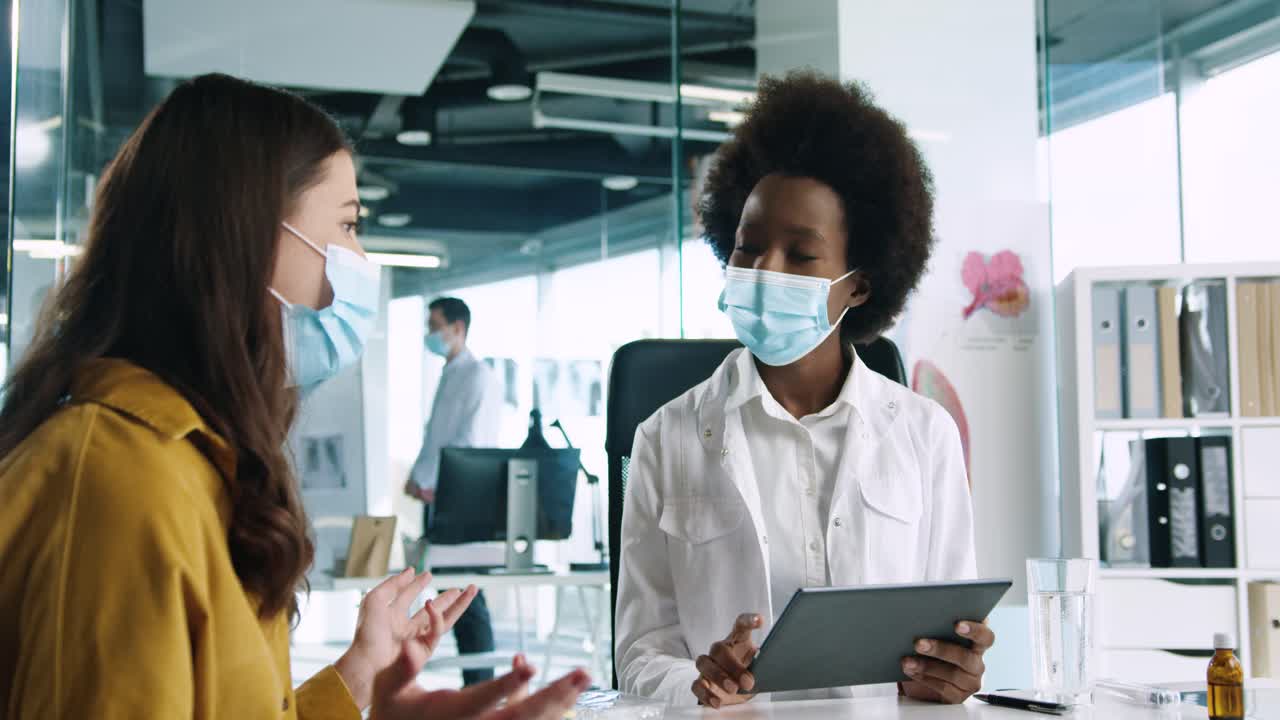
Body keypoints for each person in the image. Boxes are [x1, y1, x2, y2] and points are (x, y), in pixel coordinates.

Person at [0, 73, 588, 719]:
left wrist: (359, 675)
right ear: (247, 238)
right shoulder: (115, 485)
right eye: (348, 224)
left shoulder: (188, 463)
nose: (360, 257)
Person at [614, 70, 993, 708]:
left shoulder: (925, 435)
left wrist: (954, 674)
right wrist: (699, 685)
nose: (765, 272)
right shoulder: (666, 438)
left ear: (860, 284)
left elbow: (950, 636)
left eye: (800, 254)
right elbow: (641, 654)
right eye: (749, 248)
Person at [405, 297, 503, 686]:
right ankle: (474, 682)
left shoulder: (478, 376)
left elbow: (469, 444)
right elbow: (436, 440)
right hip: (436, 497)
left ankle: (479, 684)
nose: (430, 334)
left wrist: (433, 485)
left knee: (465, 596)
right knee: (451, 591)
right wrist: (417, 478)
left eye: (435, 325)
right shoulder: (450, 373)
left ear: (457, 328)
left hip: (458, 503)